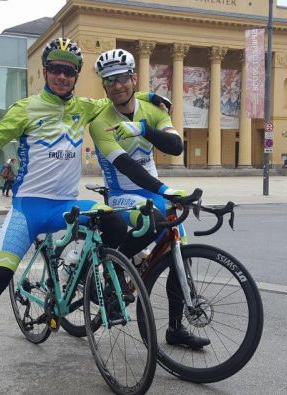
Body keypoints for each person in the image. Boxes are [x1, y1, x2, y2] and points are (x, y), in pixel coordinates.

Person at [0, 37, 172, 395]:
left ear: (77, 75)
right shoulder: (26, 108)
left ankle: (100, 283)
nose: (62, 76)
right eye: (56, 69)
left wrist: (148, 98)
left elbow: (117, 96)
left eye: (69, 71)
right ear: (45, 71)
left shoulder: (84, 107)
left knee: (112, 220)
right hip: (28, 210)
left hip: (66, 207)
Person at [89, 49, 210, 349]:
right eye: (109, 81)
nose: (117, 86)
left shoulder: (153, 108)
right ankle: (112, 269)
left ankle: (175, 328)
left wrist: (144, 128)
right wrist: (165, 191)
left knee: (178, 246)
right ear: (103, 86)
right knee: (155, 221)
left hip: (154, 190)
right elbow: (127, 167)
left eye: (122, 78)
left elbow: (176, 146)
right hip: (121, 194)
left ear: (133, 77)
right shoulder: (99, 121)